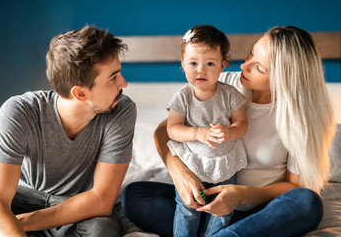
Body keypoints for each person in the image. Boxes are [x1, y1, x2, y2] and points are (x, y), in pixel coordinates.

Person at [122, 26, 336, 237]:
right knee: (133, 194)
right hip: (206, 201)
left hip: (259, 214)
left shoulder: (299, 119)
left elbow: (294, 186)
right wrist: (180, 174)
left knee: (308, 202)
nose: (244, 65)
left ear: (286, 79)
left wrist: (241, 196)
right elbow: (164, 131)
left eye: (259, 68)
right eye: (251, 53)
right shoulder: (223, 81)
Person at [0, 26, 136, 237]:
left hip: (78, 206)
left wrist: (16, 224)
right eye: (113, 77)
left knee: (103, 229)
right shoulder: (19, 111)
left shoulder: (121, 109)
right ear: (80, 93)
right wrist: (1, 218)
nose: (124, 83)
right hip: (22, 197)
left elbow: (101, 200)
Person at [166, 25, 248, 237]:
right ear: (183, 64)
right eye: (193, 63)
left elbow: (242, 122)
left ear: (222, 66)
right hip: (192, 162)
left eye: (210, 63)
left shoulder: (229, 94)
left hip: (225, 162)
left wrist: (231, 132)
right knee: (188, 207)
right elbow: (172, 129)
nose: (200, 70)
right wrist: (197, 133)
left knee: (223, 210)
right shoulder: (183, 97)